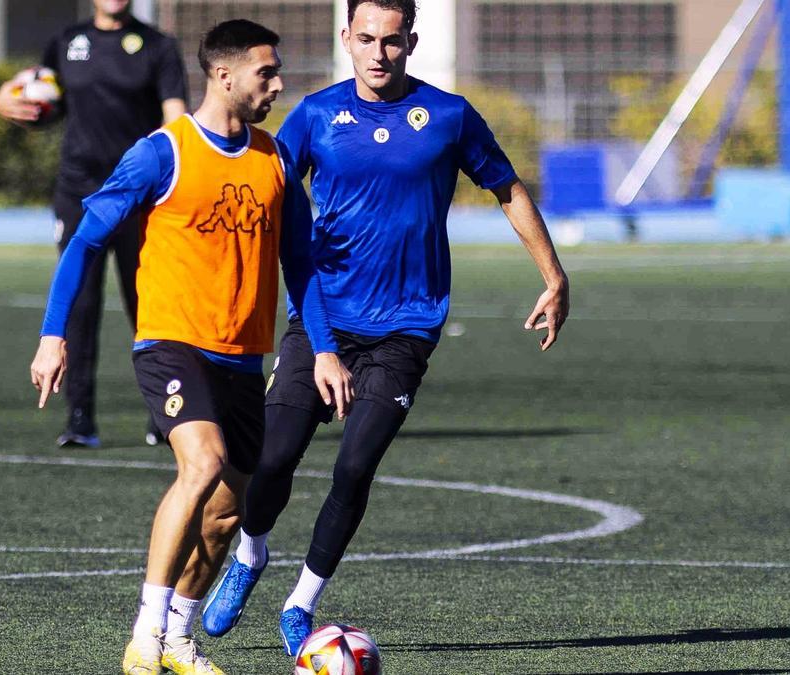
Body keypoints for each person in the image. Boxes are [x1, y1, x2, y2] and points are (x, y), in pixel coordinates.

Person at [200, 0, 571, 658]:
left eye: (392, 41)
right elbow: (264, 193)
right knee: (274, 456)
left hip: (407, 325)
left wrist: (553, 274)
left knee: (354, 466)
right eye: (366, 38)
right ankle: (252, 554)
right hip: (322, 321)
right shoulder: (314, 116)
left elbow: (508, 189)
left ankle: (301, 602)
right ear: (346, 38)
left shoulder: (450, 117)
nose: (378, 53)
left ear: (412, 42)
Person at [28, 19, 348, 675]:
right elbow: (86, 240)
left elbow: (303, 263)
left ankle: (178, 636)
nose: (278, 84)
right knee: (200, 465)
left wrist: (322, 348)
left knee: (228, 512)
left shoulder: (276, 160)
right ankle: (145, 634)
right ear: (224, 75)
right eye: (267, 72)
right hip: (172, 343)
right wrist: (53, 334)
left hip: (243, 358)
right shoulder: (161, 153)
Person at [0, 0, 188, 448]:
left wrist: (175, 174)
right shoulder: (66, 43)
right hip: (79, 193)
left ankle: (164, 414)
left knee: (151, 307)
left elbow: (175, 119)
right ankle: (80, 420)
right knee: (79, 308)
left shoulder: (158, 46)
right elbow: (33, 91)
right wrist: (2, 100)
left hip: (141, 197)